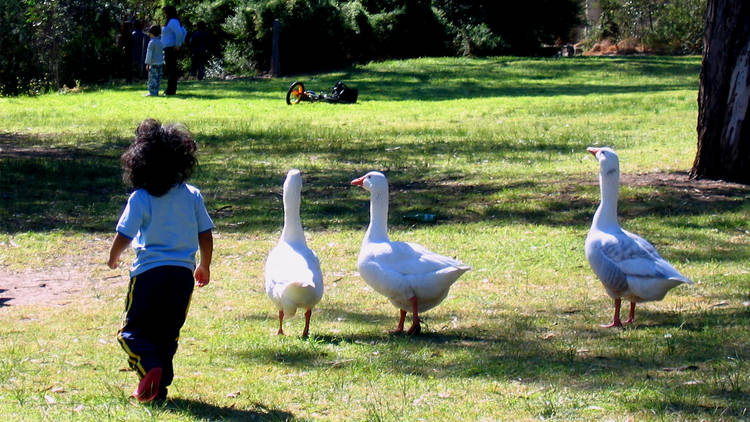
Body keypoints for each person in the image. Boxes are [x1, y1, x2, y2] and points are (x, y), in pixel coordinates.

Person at [108, 118, 214, 403]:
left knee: (130, 333)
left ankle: (148, 367)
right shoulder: (192, 195)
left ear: (139, 164)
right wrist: (204, 264)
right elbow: (205, 234)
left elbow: (124, 234)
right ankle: (156, 391)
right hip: (181, 276)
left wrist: (113, 256)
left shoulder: (141, 197)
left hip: (148, 275)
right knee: (167, 335)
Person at [161, 5, 186, 96]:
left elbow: (180, 32)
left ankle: (171, 90)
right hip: (169, 47)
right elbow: (184, 31)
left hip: (170, 48)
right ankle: (170, 89)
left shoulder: (172, 21)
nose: (164, 14)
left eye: (165, 12)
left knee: (171, 69)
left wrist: (178, 44)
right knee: (171, 69)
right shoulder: (174, 21)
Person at [144, 25, 164, 97]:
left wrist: (147, 63)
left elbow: (149, 53)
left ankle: (152, 92)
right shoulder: (161, 42)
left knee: (152, 79)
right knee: (158, 78)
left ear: (151, 33)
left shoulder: (151, 42)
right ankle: (156, 91)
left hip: (153, 63)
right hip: (160, 63)